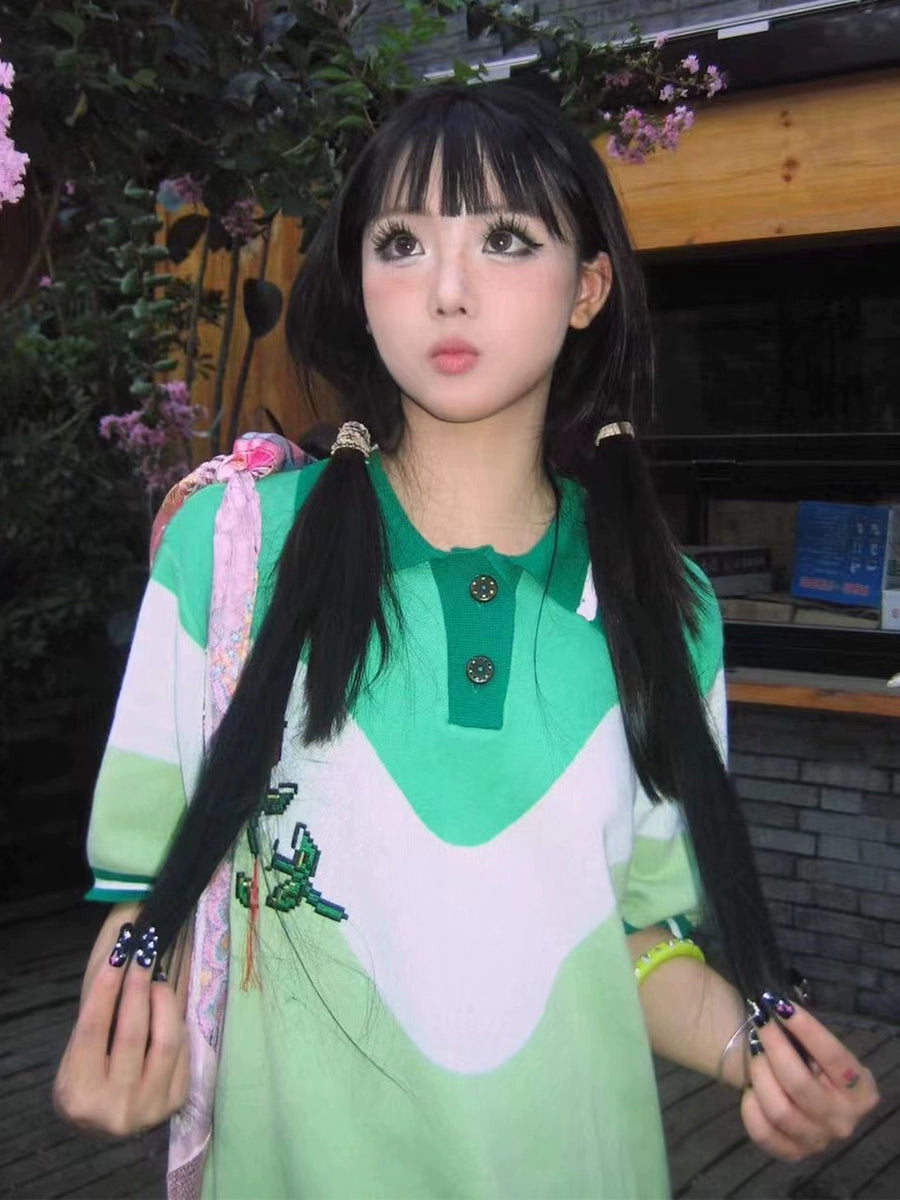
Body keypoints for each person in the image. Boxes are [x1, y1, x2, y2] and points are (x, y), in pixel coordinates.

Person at [54, 80, 878, 1199]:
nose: (447, 289)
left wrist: (763, 1054)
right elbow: (145, 891)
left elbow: (640, 940)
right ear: (359, 286)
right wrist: (118, 1023)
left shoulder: (665, 607)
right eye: (400, 242)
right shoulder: (230, 551)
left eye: (505, 239)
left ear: (588, 288)